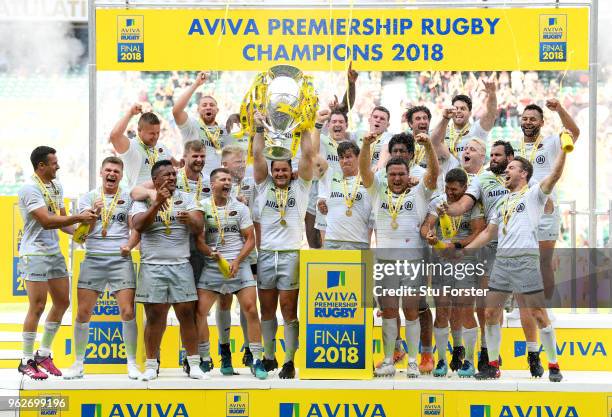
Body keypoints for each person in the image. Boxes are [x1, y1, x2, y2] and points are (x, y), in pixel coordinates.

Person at [466, 148, 569, 382]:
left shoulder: (534, 194)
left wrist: (564, 150)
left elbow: (554, 175)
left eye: (511, 168)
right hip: (502, 261)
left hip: (525, 260)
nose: (506, 171)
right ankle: (493, 365)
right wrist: (464, 252)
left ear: (524, 174)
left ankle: (553, 364)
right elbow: (489, 233)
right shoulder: (503, 201)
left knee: (538, 314)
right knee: (491, 312)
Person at [443, 141, 541, 376]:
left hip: (519, 248)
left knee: (526, 305)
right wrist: (447, 209)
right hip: (489, 247)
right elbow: (465, 203)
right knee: (489, 307)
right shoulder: (482, 179)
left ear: (510, 157)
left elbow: (545, 204)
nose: (494, 159)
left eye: (499, 155)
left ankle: (533, 354)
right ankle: (489, 356)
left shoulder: (526, 181)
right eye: (493, 155)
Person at [360, 132, 439, 378]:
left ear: (409, 175)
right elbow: (364, 171)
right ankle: (387, 360)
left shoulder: (418, 192)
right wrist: (365, 144)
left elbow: (434, 174)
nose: (396, 178)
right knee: (390, 312)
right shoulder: (378, 191)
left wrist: (428, 147)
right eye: (392, 174)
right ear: (386, 176)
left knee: (412, 312)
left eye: (401, 174)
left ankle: (413, 361)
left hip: (413, 263)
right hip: (385, 263)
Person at [17, 146, 97, 379]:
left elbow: (62, 223)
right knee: (38, 306)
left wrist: (82, 231)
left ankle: (43, 353)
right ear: (41, 166)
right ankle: (25, 360)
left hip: (54, 253)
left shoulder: (57, 185)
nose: (58, 166)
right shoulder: (29, 189)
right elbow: (46, 221)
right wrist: (78, 216)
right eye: (54, 163)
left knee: (63, 302)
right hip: (34, 254)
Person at [63, 157, 140, 380]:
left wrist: (130, 245)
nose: (112, 174)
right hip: (94, 258)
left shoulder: (127, 197)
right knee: (83, 312)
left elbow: (135, 228)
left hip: (120, 260)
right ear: (101, 172)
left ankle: (132, 363)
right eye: (108, 169)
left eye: (116, 170)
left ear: (121, 175)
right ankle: (78, 363)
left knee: (127, 311)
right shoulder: (89, 197)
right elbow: (82, 234)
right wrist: (94, 215)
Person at [252, 110, 314, 379]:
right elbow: (256, 156)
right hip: (266, 254)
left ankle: (289, 360)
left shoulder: (300, 187)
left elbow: (309, 156)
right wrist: (258, 129)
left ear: (291, 171)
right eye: (276, 169)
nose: (279, 173)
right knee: (267, 310)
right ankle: (268, 356)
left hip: (290, 254)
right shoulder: (263, 185)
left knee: (288, 310)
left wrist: (305, 128)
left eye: (284, 169)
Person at [131, 160, 205, 380]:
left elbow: (199, 225)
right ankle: (152, 365)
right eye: (166, 175)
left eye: (174, 174)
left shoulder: (187, 198)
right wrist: (156, 204)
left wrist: (190, 219)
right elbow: (138, 226)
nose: (172, 178)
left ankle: (194, 364)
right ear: (155, 180)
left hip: (181, 265)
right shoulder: (144, 199)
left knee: (186, 315)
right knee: (155, 317)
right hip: (152, 266)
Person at [194, 167, 267, 379]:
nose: (227, 183)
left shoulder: (240, 208)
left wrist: (237, 260)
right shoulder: (202, 207)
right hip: (213, 265)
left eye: (229, 180)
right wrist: (211, 253)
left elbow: (250, 239)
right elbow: (198, 240)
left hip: (239, 265)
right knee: (200, 312)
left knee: (251, 309)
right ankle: (208, 358)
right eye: (222, 180)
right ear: (212, 184)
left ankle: (256, 358)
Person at [420, 168, 485, 378]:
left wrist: (456, 245)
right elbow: (426, 226)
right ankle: (441, 359)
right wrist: (429, 235)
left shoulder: (472, 204)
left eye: (455, 190)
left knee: (465, 309)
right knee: (442, 309)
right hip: (441, 261)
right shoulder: (438, 201)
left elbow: (478, 231)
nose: (450, 193)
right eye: (447, 189)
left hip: (465, 259)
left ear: (465, 188)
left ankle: (468, 360)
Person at [517, 101, 579, 310]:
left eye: (533, 119)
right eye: (525, 118)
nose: (528, 122)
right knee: (522, 261)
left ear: (542, 122)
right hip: (520, 213)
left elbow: (574, 132)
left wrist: (560, 108)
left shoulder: (552, 142)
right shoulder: (513, 146)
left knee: (544, 263)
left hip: (545, 211)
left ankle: (548, 308)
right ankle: (522, 309)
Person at [215, 145, 258, 369]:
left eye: (243, 161)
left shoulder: (251, 183)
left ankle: (250, 349)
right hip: (224, 252)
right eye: (237, 161)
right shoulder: (215, 186)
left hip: (249, 252)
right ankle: (224, 350)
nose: (242, 165)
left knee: (247, 303)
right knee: (223, 300)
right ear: (225, 165)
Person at [173, 71, 233, 178]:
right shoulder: (192, 126)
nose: (208, 107)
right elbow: (176, 111)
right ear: (198, 110)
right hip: (191, 181)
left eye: (211, 105)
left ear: (217, 110)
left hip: (213, 183)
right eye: (204, 105)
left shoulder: (223, 130)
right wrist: (196, 84)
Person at [317, 141, 372, 250]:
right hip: (332, 243)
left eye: (348, 157)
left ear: (358, 157)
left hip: (358, 242)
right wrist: (321, 202)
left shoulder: (367, 180)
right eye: (341, 158)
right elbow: (313, 156)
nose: (345, 161)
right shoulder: (330, 176)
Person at [109, 104, 175, 189]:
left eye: (157, 133)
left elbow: (175, 167)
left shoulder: (161, 146)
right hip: (140, 199)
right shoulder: (131, 147)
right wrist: (130, 113)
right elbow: (114, 136)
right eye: (151, 133)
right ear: (139, 130)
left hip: (163, 198)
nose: (155, 137)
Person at [431, 77, 497, 159]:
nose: (458, 111)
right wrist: (445, 118)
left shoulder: (477, 130)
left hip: (470, 172)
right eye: (456, 108)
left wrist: (492, 95)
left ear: (470, 113)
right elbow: (433, 142)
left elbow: (491, 114)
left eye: (463, 109)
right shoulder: (444, 132)